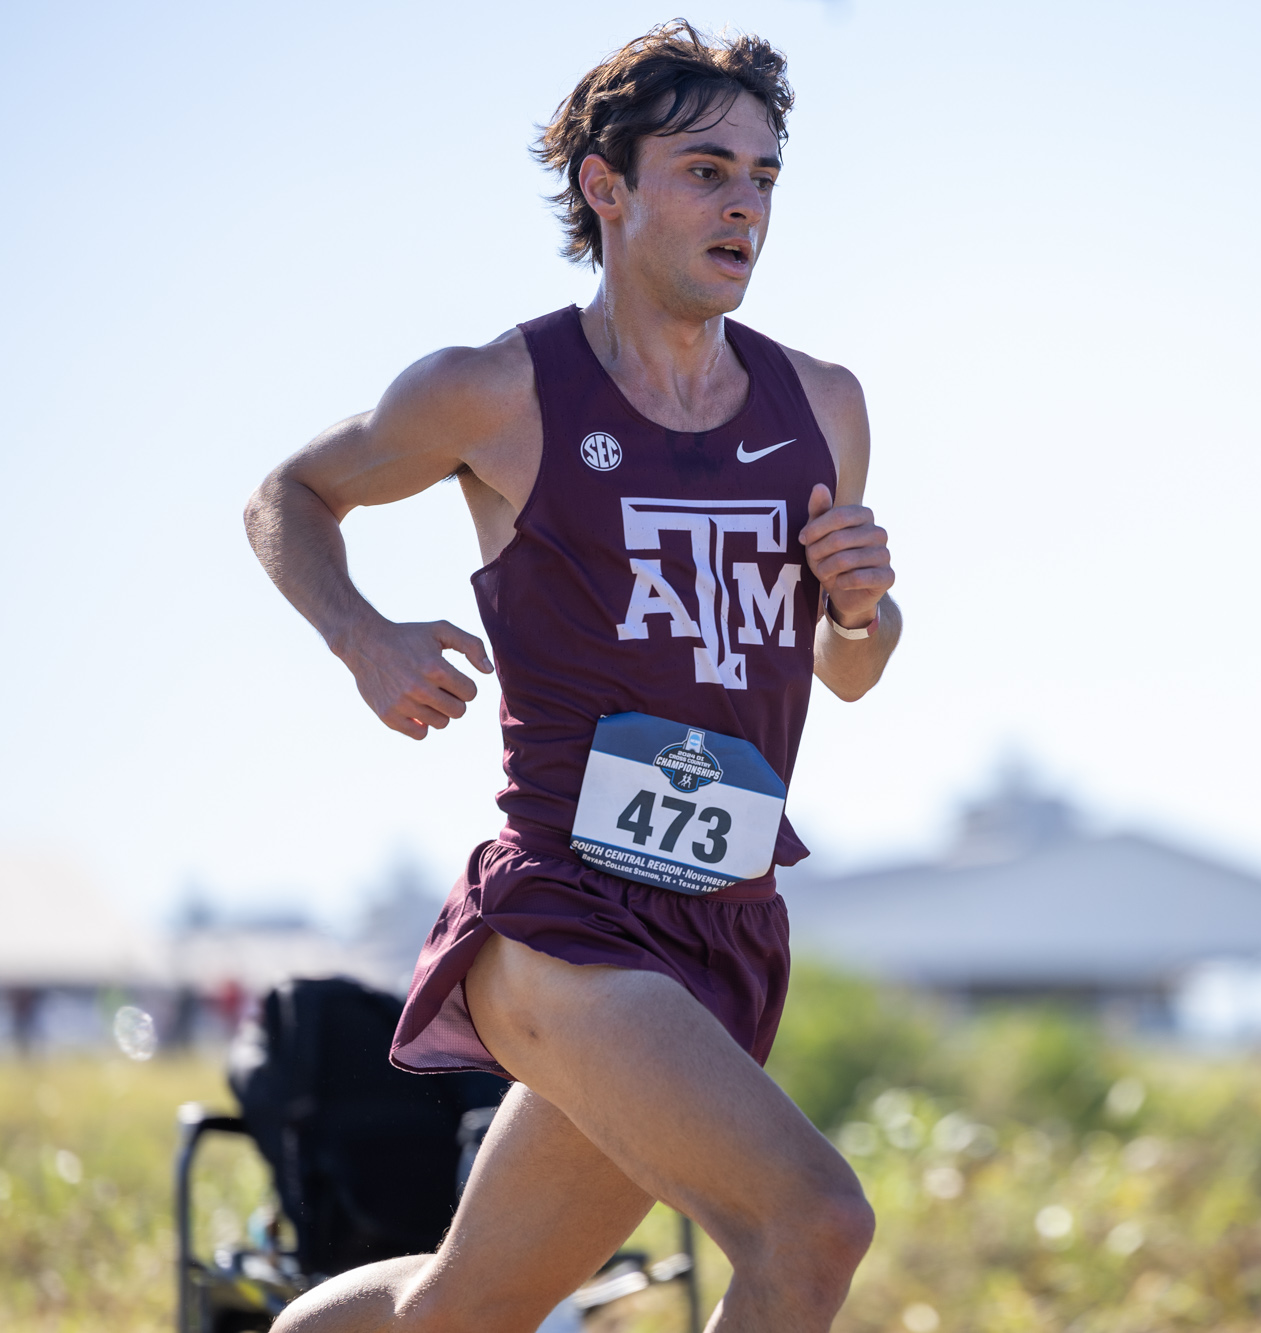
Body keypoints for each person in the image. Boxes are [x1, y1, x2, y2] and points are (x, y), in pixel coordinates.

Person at [245, 23, 898, 1332]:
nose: (745, 206)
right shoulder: (500, 390)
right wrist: (365, 635)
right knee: (813, 1223)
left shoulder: (820, 405)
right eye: (708, 169)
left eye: (764, 176)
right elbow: (290, 494)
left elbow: (850, 671)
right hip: (565, 914)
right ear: (608, 187)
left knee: (469, 1304)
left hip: (725, 924)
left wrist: (868, 607)